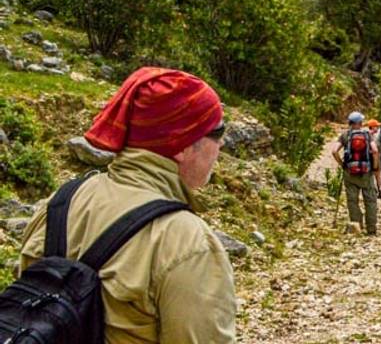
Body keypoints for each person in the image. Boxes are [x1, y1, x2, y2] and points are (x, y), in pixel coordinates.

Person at [16, 67, 236, 341]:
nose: (222, 143)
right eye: (217, 132)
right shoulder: (187, 242)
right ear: (181, 145)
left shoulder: (62, 201)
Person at [333, 111, 381, 235]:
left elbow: (334, 151)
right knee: (370, 200)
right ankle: (371, 228)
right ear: (360, 123)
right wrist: (375, 167)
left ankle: (356, 226)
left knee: (352, 200)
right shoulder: (367, 135)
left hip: (350, 172)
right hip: (366, 172)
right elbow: (375, 151)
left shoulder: (345, 135)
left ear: (350, 122)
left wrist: (343, 165)